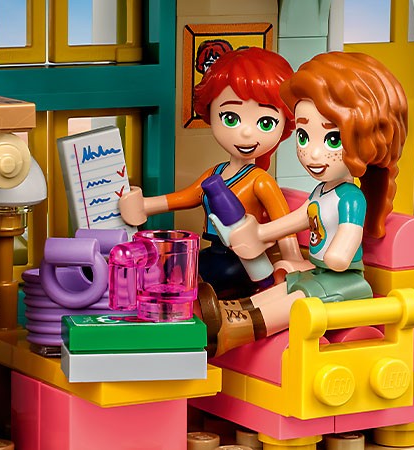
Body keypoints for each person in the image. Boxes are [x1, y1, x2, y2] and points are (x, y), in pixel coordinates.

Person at [199, 51, 408, 357]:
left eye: (332, 140)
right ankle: (230, 312)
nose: (312, 153)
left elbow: (342, 252)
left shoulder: (351, 198)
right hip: (320, 276)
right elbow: (300, 218)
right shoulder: (322, 191)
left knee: (295, 300)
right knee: (283, 288)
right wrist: (261, 233)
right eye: (304, 136)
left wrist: (330, 255)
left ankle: (233, 329)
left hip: (344, 285)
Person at [118, 47, 308, 299]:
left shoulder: (260, 181)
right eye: (231, 118)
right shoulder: (216, 173)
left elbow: (283, 224)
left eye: (265, 122)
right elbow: (187, 196)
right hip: (213, 251)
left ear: (285, 124)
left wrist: (292, 258)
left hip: (243, 262)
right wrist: (144, 205)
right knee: (173, 271)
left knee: (190, 279)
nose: (246, 133)